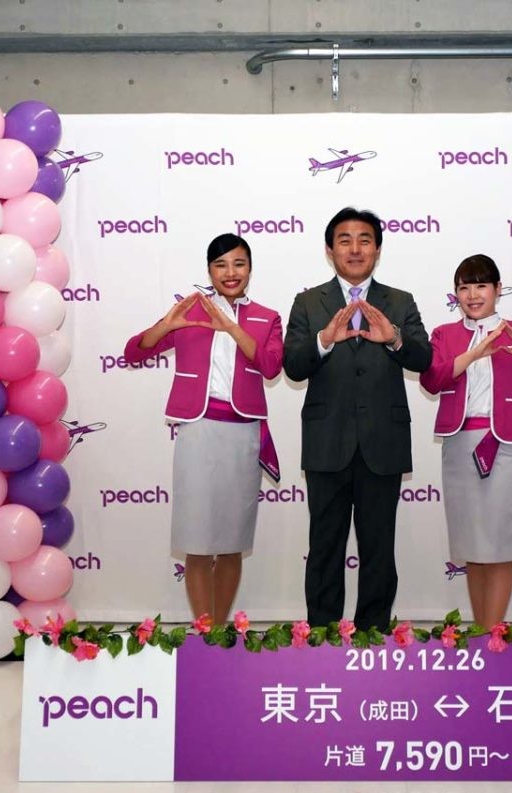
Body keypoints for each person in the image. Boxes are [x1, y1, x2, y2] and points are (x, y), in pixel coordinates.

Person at [283, 207, 432, 632]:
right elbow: (293, 365)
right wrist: (323, 340)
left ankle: (373, 636)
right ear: (329, 250)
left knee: (379, 547)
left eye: (364, 240)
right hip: (327, 442)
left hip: (382, 443)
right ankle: (323, 635)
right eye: (344, 240)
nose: (354, 248)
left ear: (377, 250)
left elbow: (424, 359)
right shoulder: (308, 302)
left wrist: (395, 339)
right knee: (324, 545)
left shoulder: (400, 302)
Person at [124, 234, 283, 623]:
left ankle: (220, 630)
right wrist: (166, 325)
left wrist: (231, 327)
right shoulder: (189, 311)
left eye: (239, 263)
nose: (230, 273)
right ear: (209, 271)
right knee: (196, 541)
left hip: (243, 434)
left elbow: (271, 367)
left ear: (250, 269)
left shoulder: (267, 317)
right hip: (197, 432)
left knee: (231, 541)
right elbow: (133, 353)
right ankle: (206, 632)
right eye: (221, 265)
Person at [419, 253, 512, 628]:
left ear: (498, 289)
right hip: (459, 444)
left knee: (500, 545)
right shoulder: (444, 334)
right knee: (473, 545)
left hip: (505, 443)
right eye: (464, 287)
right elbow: (432, 380)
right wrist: (473, 354)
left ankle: (491, 634)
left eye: (481, 286)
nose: (473, 295)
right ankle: (482, 632)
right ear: (455, 294)